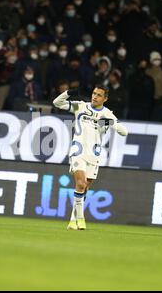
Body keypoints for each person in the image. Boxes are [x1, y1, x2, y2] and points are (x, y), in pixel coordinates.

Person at [53, 85, 128, 230]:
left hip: (94, 155)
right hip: (78, 150)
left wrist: (108, 122)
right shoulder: (81, 107)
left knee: (84, 189)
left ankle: (72, 220)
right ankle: (81, 219)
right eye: (94, 93)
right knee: (80, 184)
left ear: (105, 99)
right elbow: (57, 103)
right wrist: (69, 93)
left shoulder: (107, 114)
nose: (95, 97)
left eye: (99, 95)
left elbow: (124, 132)